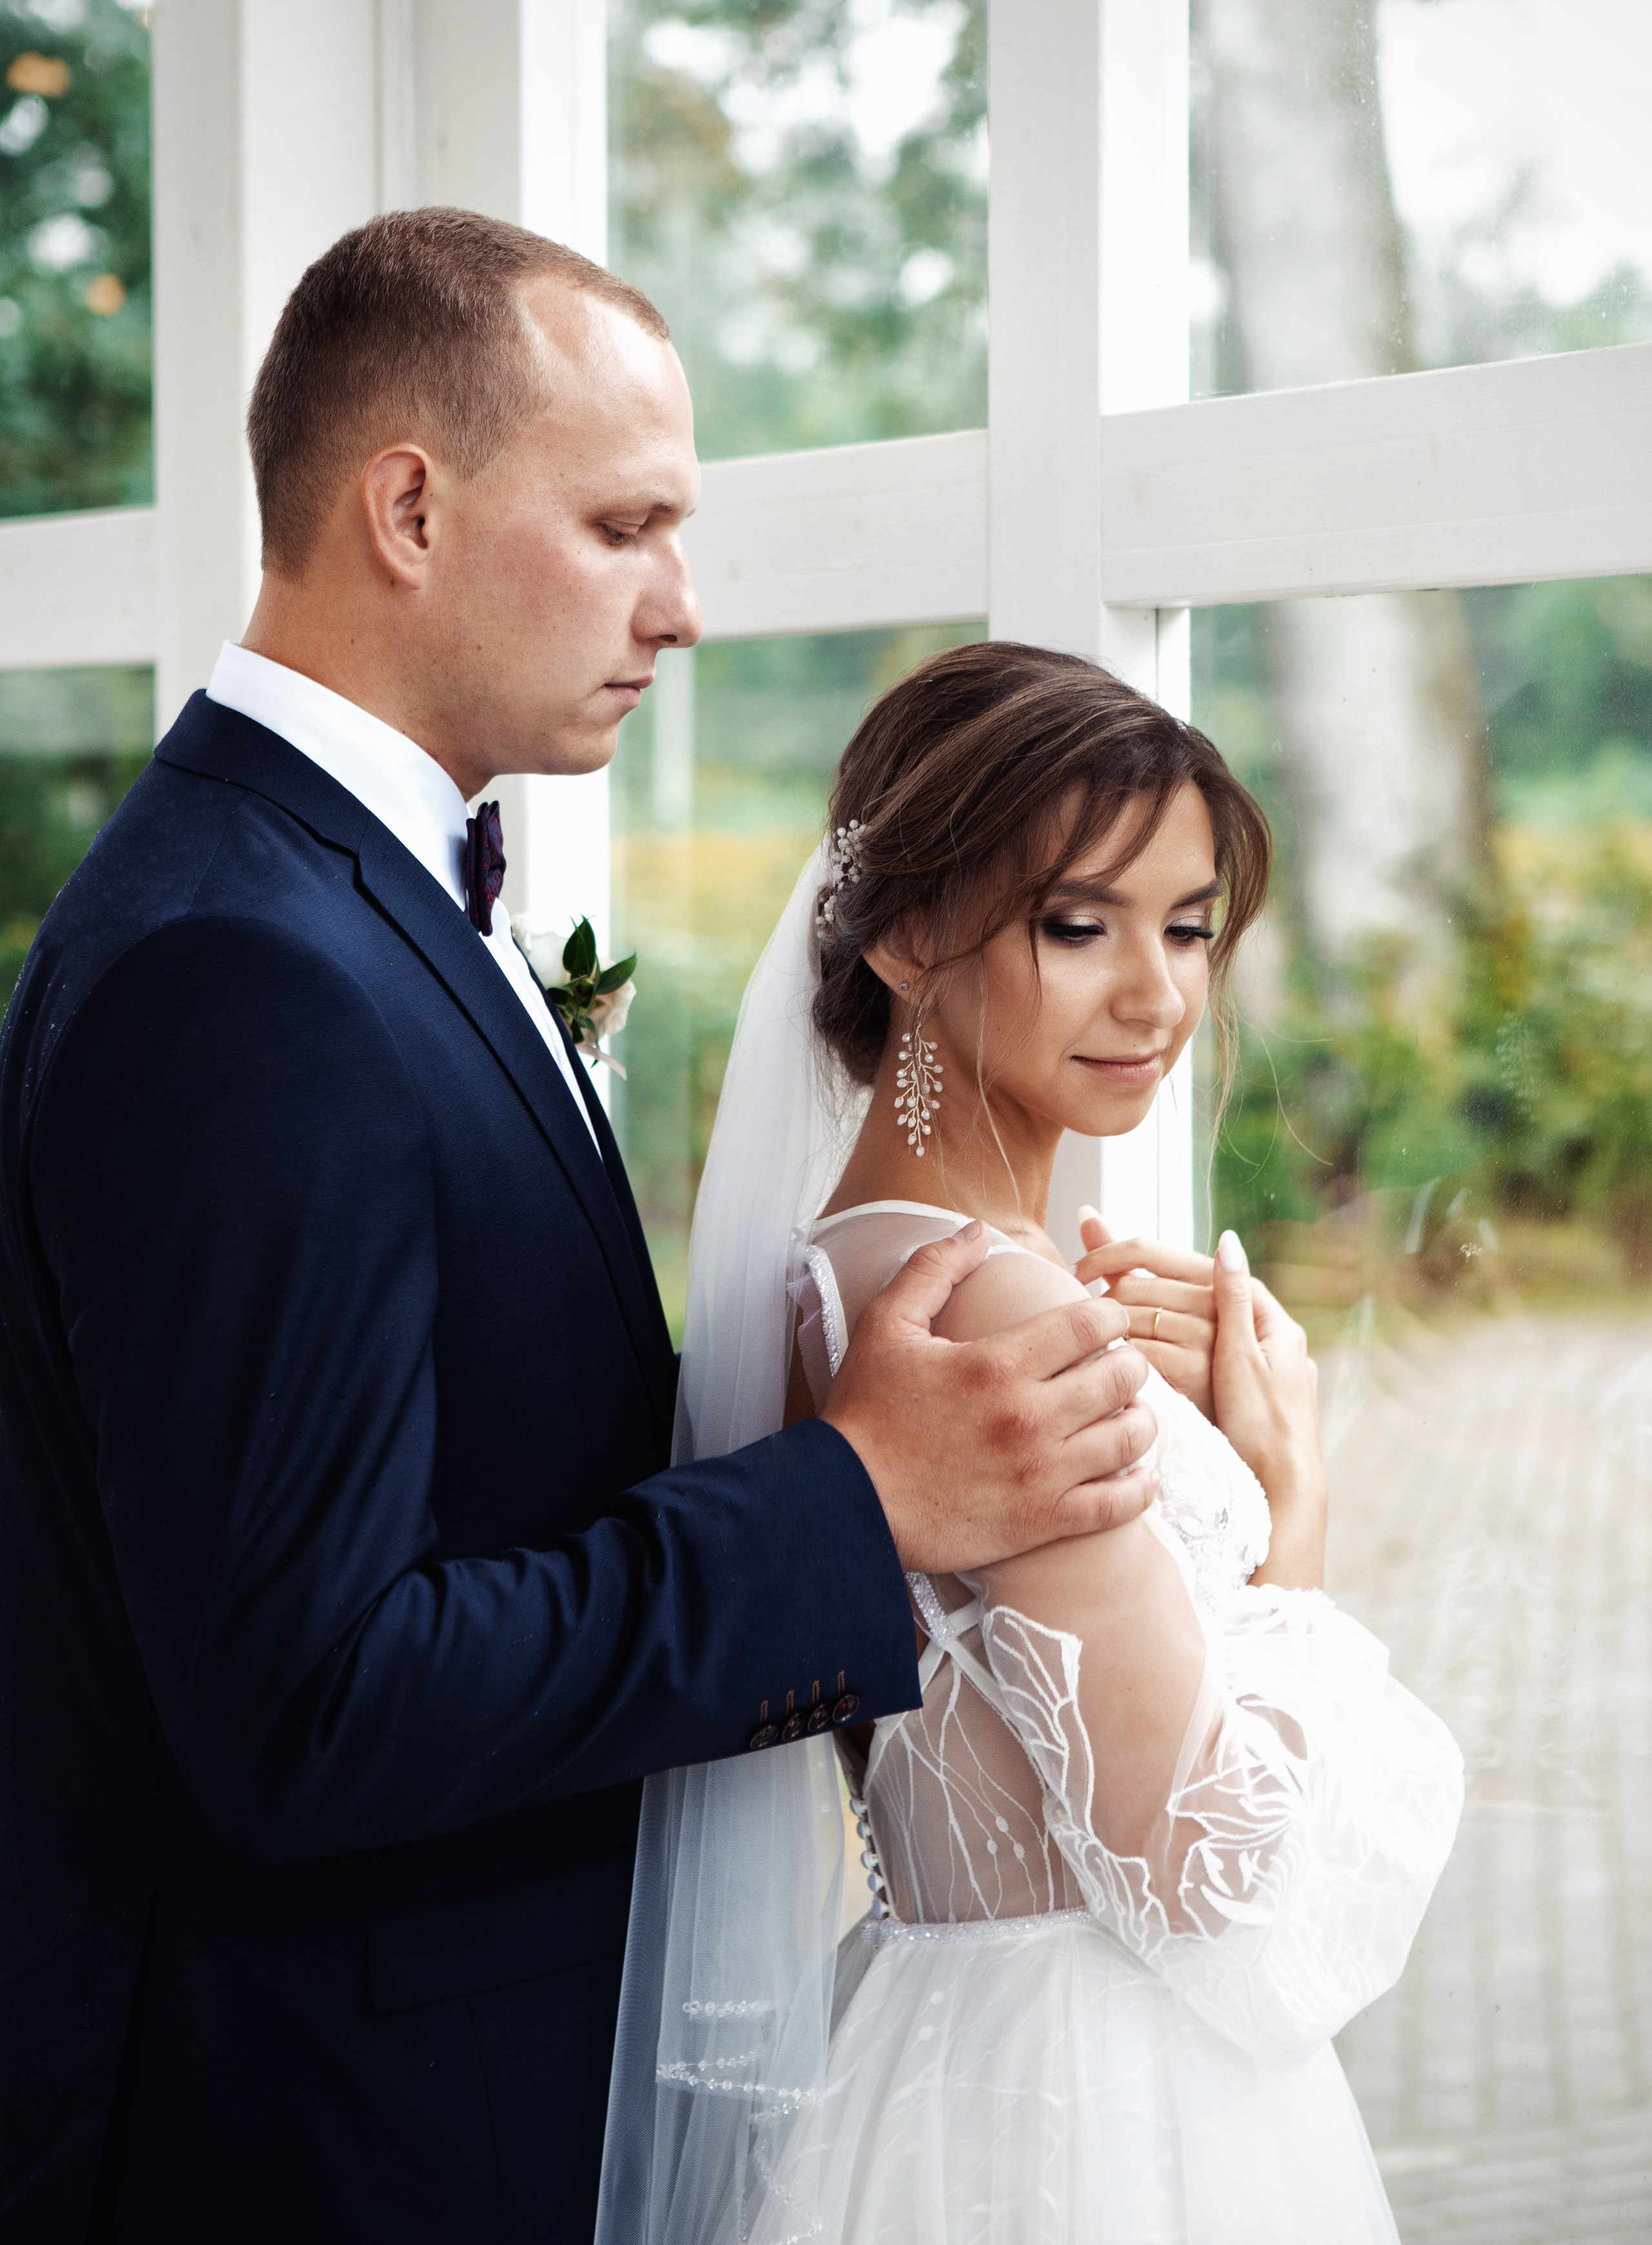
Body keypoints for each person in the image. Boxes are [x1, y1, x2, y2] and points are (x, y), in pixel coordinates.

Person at [0, 216, 1164, 2244]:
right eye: (627, 525)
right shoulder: (237, 962)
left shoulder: (334, 888)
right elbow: (310, 1699)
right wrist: (855, 1494)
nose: (684, 605)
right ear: (412, 507)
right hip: (329, 2134)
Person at [600, 641, 1466, 2244]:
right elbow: (1206, 1872)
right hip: (1104, 2115)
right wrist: (1290, 1506)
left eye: (1189, 927)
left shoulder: (842, 1263)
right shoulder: (985, 1307)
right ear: (907, 931)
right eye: (1079, 925)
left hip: (943, 2053)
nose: (1157, 993)